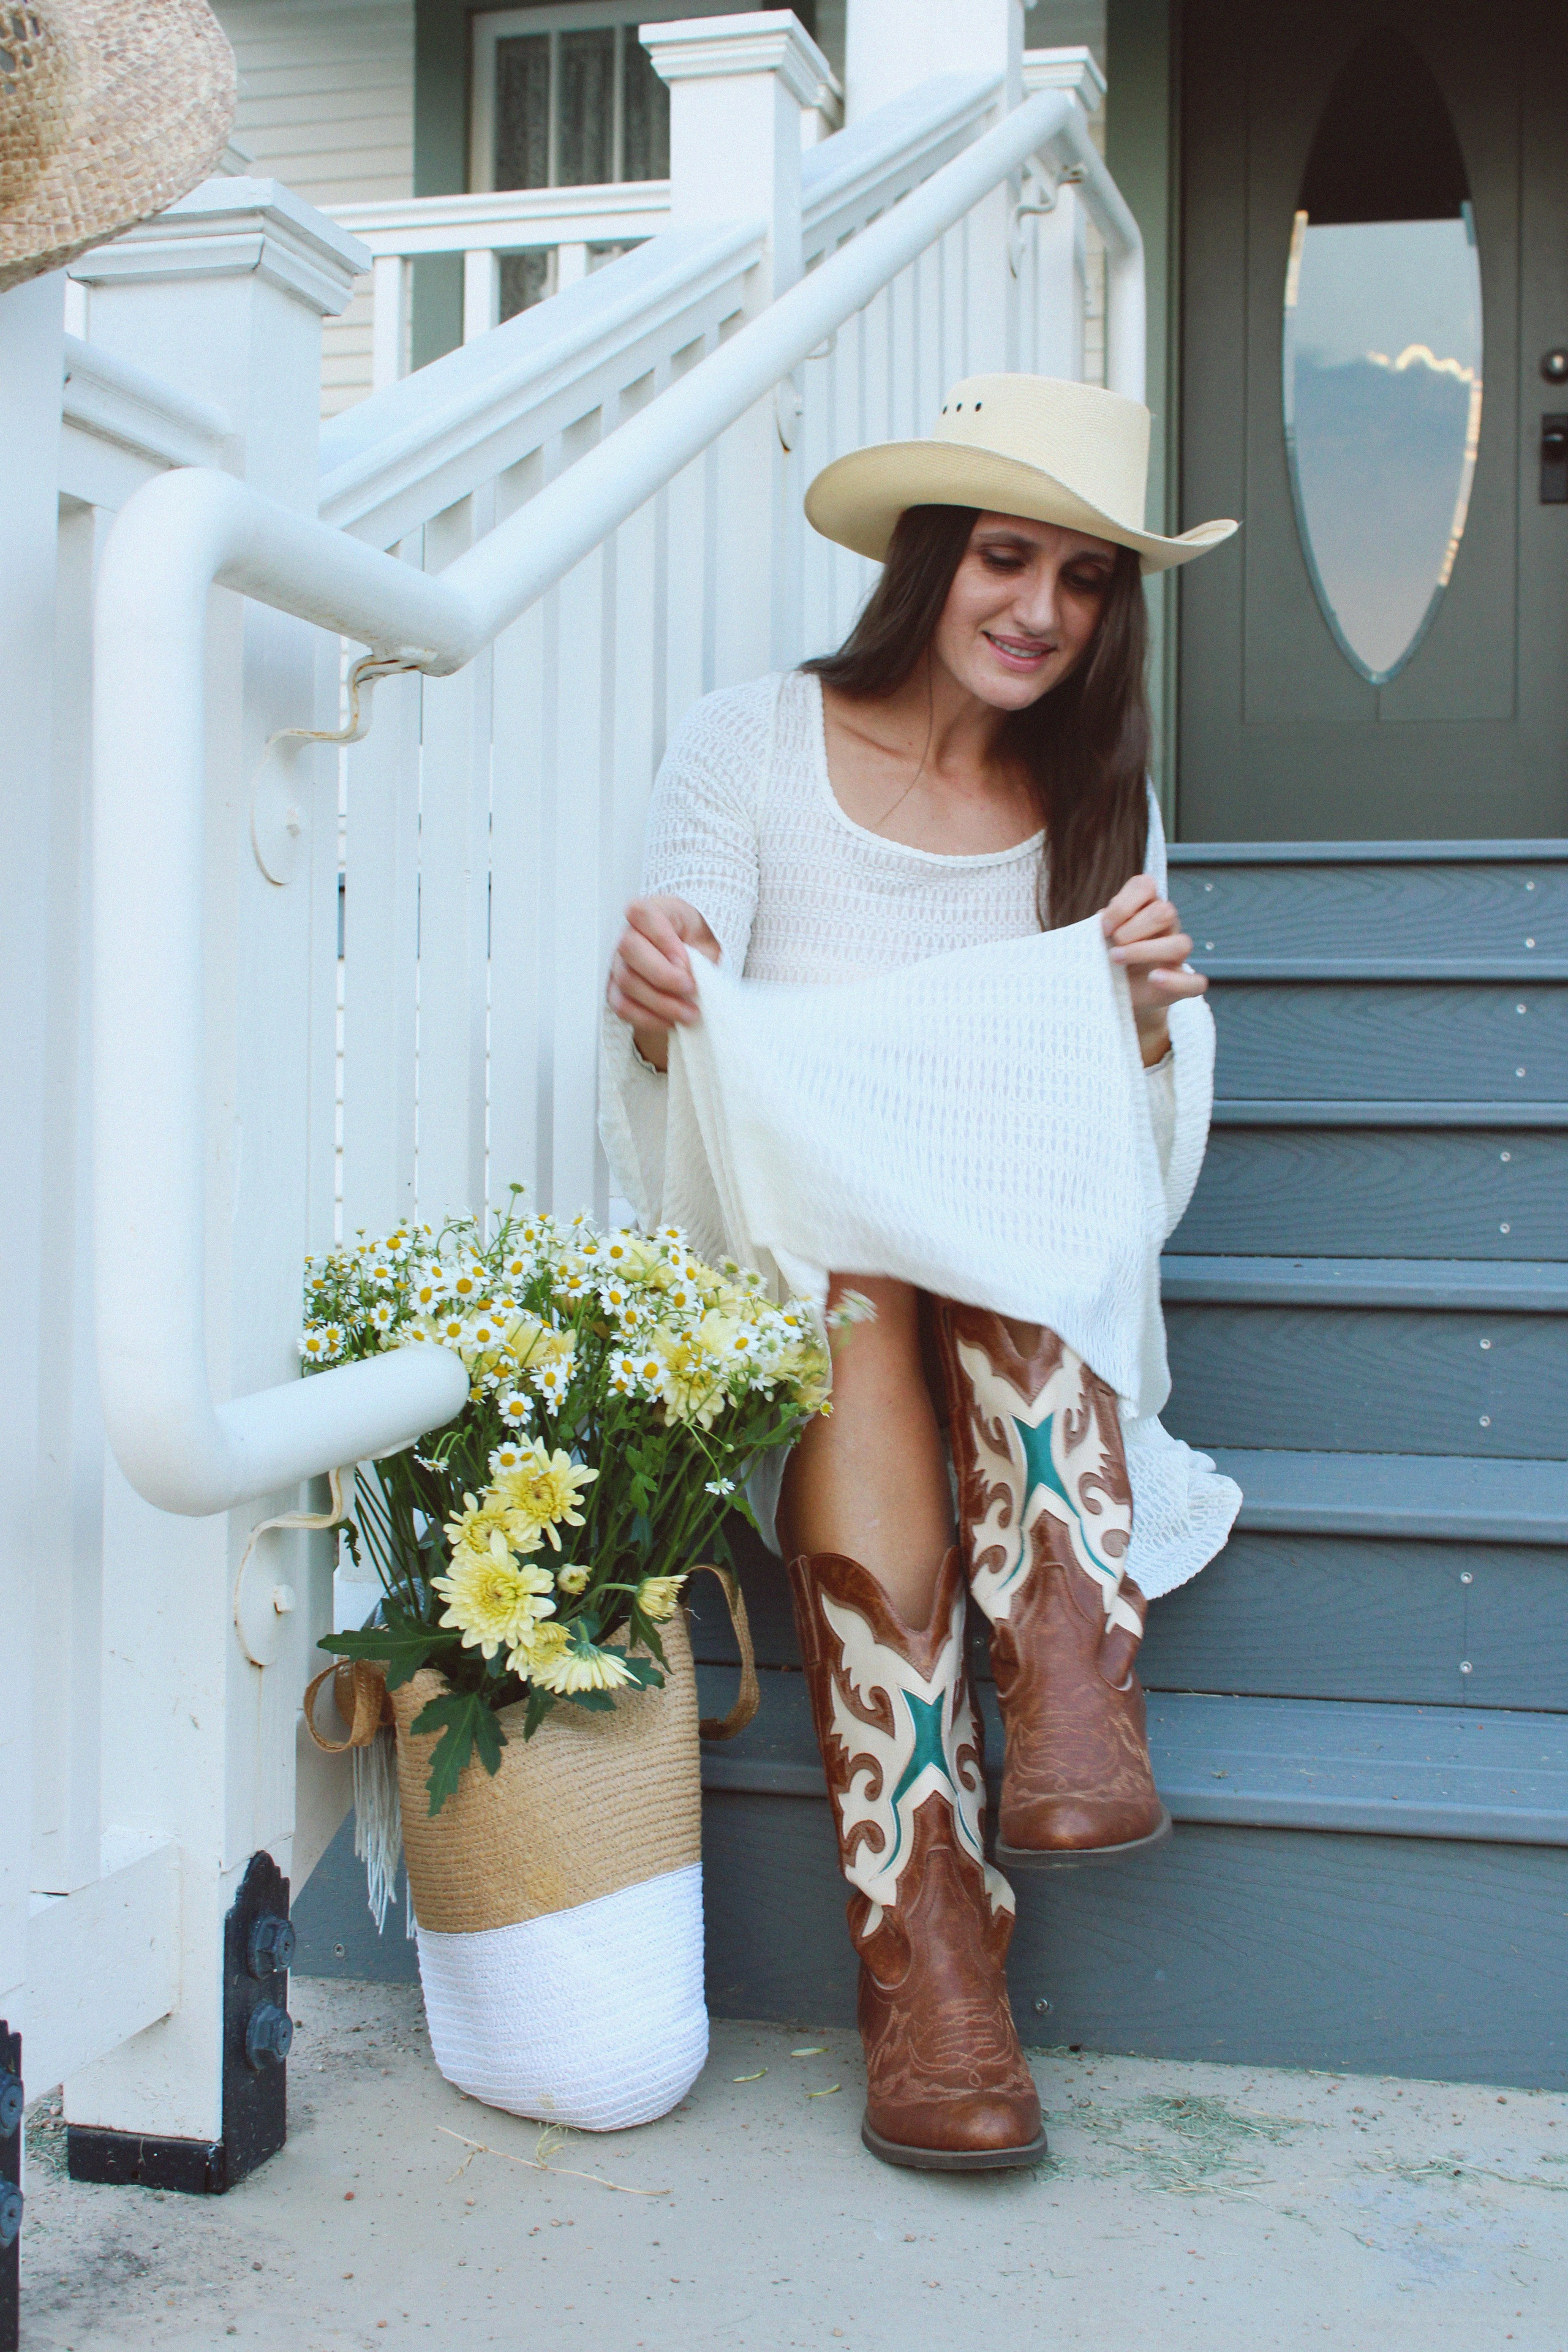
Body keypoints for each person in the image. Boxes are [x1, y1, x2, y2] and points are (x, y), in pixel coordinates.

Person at [602, 374, 1238, 2173]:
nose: (1043, 613)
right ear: (927, 565)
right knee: (864, 1290)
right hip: (811, 1265)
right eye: (1007, 561)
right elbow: (683, 1052)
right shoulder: (750, 742)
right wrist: (661, 996)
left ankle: (1058, 1689)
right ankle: (938, 1964)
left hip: (1005, 1267)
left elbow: (1137, 1138)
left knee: (993, 1203)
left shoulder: (1093, 788)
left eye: (1090, 580)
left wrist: (1138, 1016)